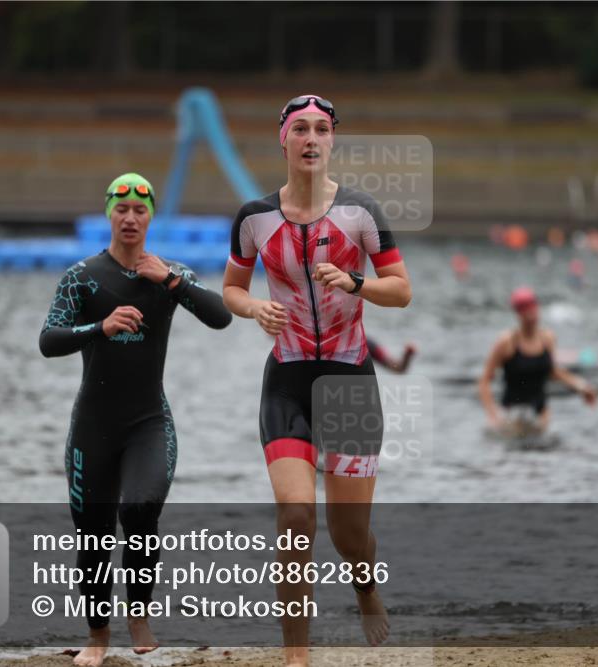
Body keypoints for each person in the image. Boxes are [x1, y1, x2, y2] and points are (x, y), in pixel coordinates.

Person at [222, 95, 412, 667]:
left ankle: (365, 588)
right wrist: (254, 309)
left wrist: (355, 283)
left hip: (351, 379)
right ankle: (296, 655)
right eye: (300, 129)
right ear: (283, 140)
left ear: (332, 142)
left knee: (349, 534)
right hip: (287, 380)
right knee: (296, 513)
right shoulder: (254, 217)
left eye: (321, 130)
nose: (310, 138)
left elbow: (401, 290)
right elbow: (231, 289)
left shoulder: (359, 212)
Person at [39, 173, 231, 667]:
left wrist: (166, 278)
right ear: (109, 212)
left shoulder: (170, 274)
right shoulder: (82, 276)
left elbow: (221, 316)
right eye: (121, 208)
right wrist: (99, 326)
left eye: (139, 210)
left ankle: (139, 614)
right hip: (92, 428)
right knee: (93, 534)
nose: (130, 217)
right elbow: (48, 340)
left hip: (148, 422)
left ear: (151, 217)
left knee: (141, 508)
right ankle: (98, 637)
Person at [478, 287, 597, 437]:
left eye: (532, 306)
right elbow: (484, 381)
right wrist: (493, 415)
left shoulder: (547, 338)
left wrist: (582, 386)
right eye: (524, 308)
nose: (530, 313)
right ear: (518, 313)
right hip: (513, 416)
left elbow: (553, 371)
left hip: (541, 415)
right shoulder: (506, 342)